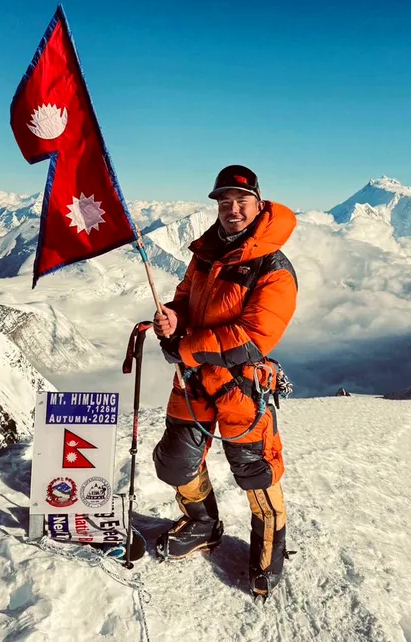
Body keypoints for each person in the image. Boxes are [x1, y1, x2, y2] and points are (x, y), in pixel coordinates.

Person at [152, 164, 298, 598]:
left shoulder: (273, 264)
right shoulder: (206, 253)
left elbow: (255, 337)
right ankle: (202, 524)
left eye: (241, 201)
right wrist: (176, 317)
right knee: (177, 460)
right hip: (194, 380)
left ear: (258, 204)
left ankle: (269, 550)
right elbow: (186, 295)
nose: (232, 209)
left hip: (241, 387)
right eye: (224, 201)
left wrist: (187, 347)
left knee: (256, 471)